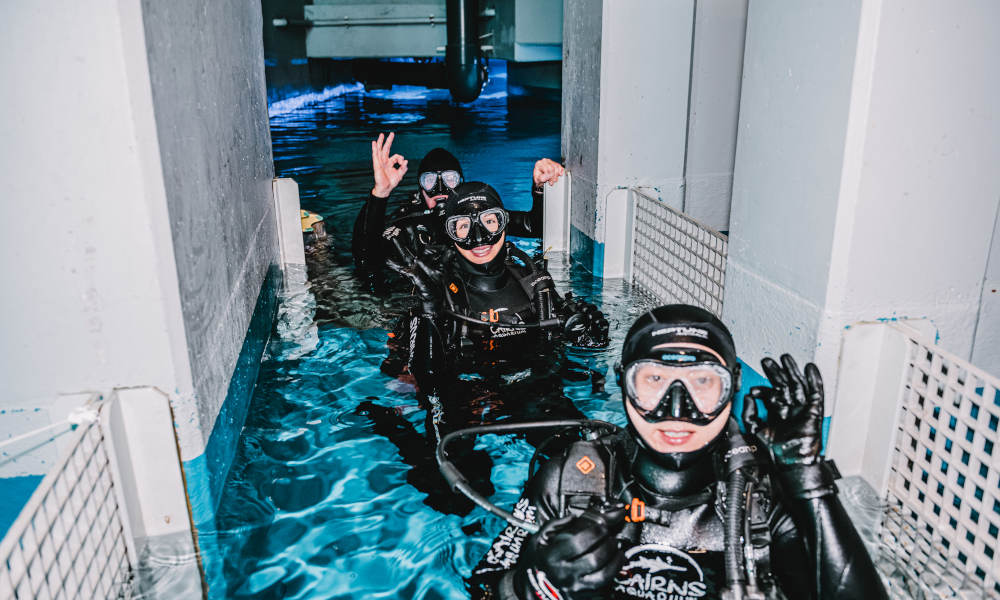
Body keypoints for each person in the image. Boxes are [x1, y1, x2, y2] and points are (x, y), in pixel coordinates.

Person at [467, 304, 889, 599]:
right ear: (623, 384)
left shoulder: (762, 495)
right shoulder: (570, 480)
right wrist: (536, 587)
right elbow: (485, 586)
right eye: (653, 379)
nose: (676, 410)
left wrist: (808, 481)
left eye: (702, 382)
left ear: (732, 386)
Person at [357, 182, 608, 515]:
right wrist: (429, 307)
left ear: (504, 222)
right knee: (453, 494)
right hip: (461, 390)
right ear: (450, 233)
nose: (479, 239)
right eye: (462, 227)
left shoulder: (531, 282)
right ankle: (393, 428)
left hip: (528, 385)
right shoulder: (437, 286)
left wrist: (591, 332)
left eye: (489, 222)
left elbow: (580, 346)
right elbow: (427, 377)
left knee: (588, 464)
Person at [352, 132, 565, 289]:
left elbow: (535, 227)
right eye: (430, 181)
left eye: (450, 179)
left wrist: (540, 188)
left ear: (461, 183)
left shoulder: (479, 214)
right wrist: (380, 193)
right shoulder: (409, 223)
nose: (440, 188)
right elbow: (366, 258)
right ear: (420, 188)